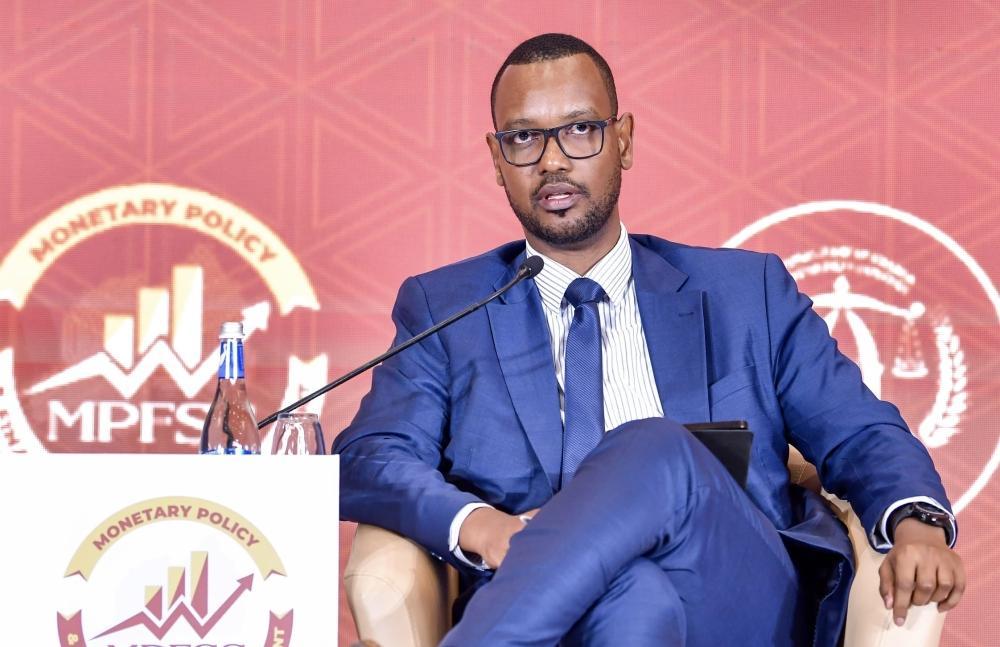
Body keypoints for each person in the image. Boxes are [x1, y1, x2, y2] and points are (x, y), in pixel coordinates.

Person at [333, 33, 964, 646]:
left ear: (623, 140)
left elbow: (860, 430)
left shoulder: (747, 293)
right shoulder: (446, 309)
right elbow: (369, 458)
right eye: (523, 138)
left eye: (580, 129)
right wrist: (482, 527)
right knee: (635, 592)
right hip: (558, 616)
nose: (552, 160)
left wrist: (918, 520)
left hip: (733, 596)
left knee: (654, 447)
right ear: (497, 160)